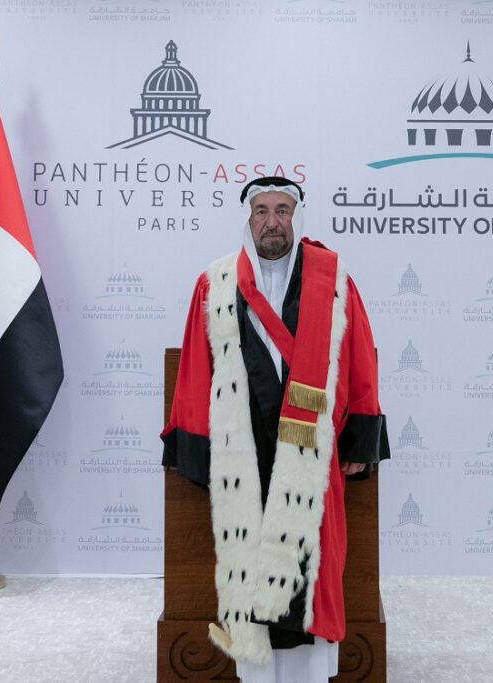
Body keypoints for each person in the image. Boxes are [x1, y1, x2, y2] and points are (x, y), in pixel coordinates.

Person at [161, 176, 390, 681]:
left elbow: (358, 361)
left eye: (282, 210)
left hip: (310, 450)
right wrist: (197, 449)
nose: (272, 222)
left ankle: (309, 673)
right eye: (261, 211)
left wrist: (360, 438)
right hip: (244, 450)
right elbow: (196, 370)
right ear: (249, 219)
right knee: (249, 562)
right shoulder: (216, 283)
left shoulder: (333, 281)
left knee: (312, 571)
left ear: (296, 217)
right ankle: (257, 673)